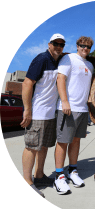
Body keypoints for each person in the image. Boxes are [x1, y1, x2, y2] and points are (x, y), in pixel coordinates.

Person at [21, 33, 66, 198]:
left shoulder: (59, 60)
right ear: (49, 44)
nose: (58, 47)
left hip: (50, 114)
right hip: (38, 112)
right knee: (32, 147)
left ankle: (39, 176)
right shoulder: (41, 59)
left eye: (62, 44)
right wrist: (27, 109)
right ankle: (27, 181)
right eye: (56, 44)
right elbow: (27, 83)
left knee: (44, 146)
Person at [53, 36, 94, 195]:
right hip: (67, 108)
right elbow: (60, 79)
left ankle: (73, 171)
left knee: (76, 141)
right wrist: (64, 101)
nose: (85, 49)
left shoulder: (89, 65)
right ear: (77, 46)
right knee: (63, 141)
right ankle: (59, 175)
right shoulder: (68, 59)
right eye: (82, 46)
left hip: (82, 109)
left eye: (88, 47)